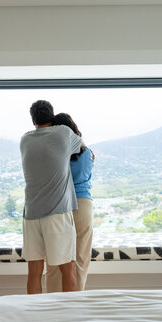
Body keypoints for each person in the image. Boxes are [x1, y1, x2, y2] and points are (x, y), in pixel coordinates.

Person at [20, 101, 82, 294]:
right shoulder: (63, 133)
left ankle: (35, 315)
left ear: (33, 120)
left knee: (34, 272)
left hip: (30, 214)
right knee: (67, 269)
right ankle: (70, 314)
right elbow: (81, 145)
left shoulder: (25, 139)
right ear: (52, 117)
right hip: (57, 213)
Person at [46, 113, 94, 292]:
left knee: (54, 257)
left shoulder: (55, 154)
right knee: (81, 258)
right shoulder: (88, 152)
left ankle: (52, 301)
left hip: (59, 204)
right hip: (83, 205)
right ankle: (77, 300)